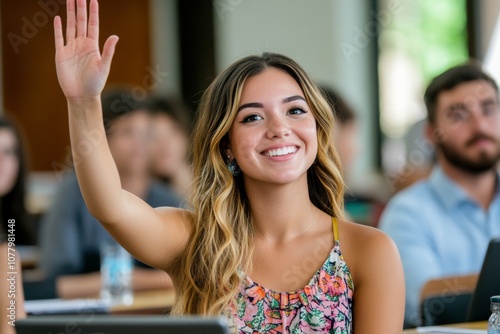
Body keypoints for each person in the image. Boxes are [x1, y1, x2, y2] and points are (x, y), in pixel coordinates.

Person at [52, 0, 404, 332]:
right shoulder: (197, 240)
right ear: (227, 146)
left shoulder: (369, 251)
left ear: (316, 130)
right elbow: (110, 205)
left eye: (295, 110)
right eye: (252, 117)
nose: (279, 128)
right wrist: (83, 102)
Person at [379, 63, 500, 327]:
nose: (479, 124)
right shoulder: (406, 212)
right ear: (432, 134)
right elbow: (425, 298)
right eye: (458, 114)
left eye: (489, 109)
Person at [38, 89, 182, 299]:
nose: (139, 143)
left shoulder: (167, 198)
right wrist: (139, 280)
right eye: (127, 132)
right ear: (101, 140)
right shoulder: (71, 194)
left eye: (147, 134)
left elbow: (190, 272)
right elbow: (56, 279)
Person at [0, 117, 27, 334]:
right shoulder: (5, 254)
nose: (2, 162)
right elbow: (10, 323)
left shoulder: (15, 220)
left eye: (9, 152)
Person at [145, 94, 193, 199]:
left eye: (173, 132)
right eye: (154, 135)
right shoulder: (140, 192)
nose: (165, 144)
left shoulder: (212, 183)